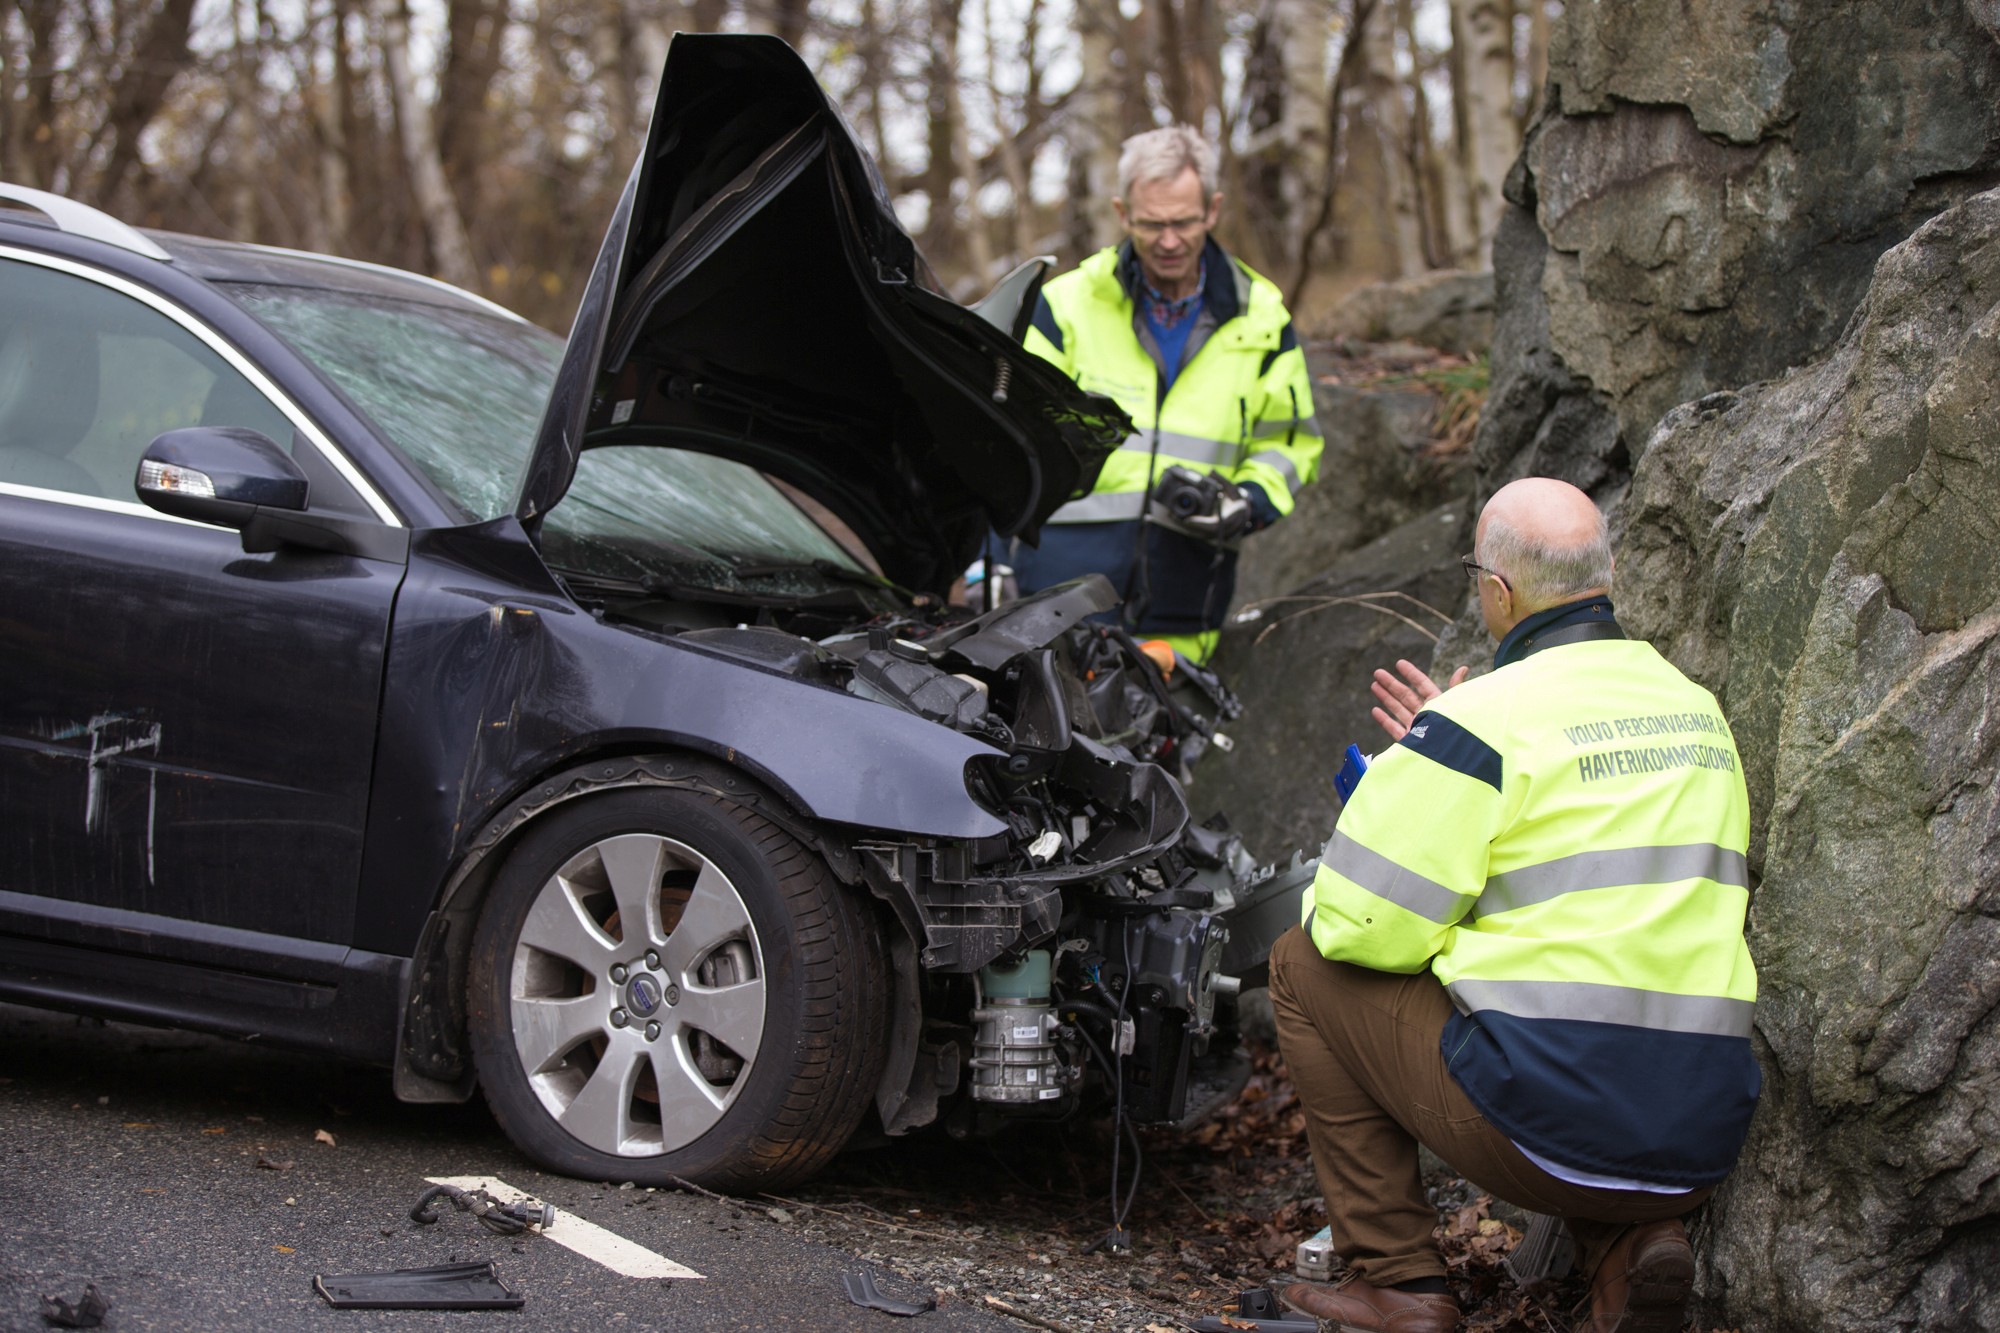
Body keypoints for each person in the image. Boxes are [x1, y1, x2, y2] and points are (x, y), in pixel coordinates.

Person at [1271, 478, 1761, 1333]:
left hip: (1550, 1132)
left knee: (1299, 963)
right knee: (1576, 1016)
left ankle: (1398, 1280)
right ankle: (1628, 1249)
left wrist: (1412, 774)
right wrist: (1446, 750)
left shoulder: (1481, 722)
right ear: (1606, 574)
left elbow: (1357, 926)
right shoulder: (1698, 712)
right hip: (1701, 1131)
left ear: (1496, 591)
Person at [991, 125, 1323, 664]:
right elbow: (1003, 437)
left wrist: (1246, 501)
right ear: (1123, 214)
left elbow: (1289, 442)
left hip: (1184, 604)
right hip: (1057, 598)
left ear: (1212, 211)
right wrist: (990, 559)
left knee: (1166, 745)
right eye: (1151, 224)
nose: (1169, 241)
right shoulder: (1066, 307)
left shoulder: (1261, 316)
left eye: (1183, 222)